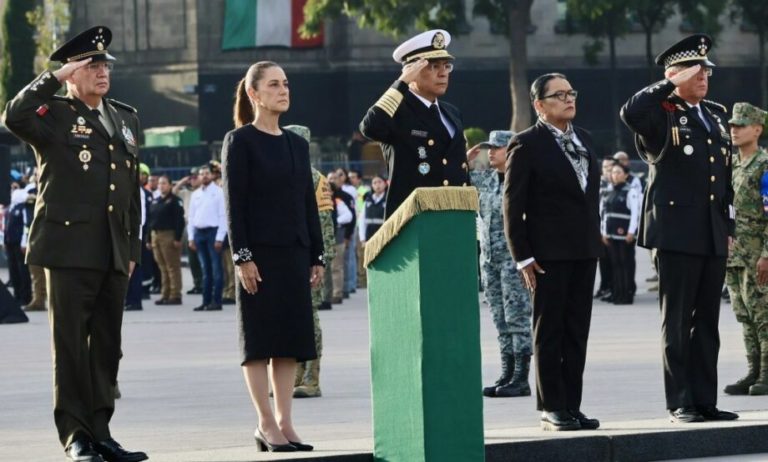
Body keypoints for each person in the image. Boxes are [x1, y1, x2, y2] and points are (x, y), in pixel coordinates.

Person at [2, 26, 147, 462]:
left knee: (107, 346)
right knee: (69, 346)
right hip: (68, 248)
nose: (102, 72)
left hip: (113, 249)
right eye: (91, 65)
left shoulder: (125, 117)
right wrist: (54, 77)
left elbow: (130, 191)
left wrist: (133, 249)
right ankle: (76, 435)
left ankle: (101, 431)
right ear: (72, 72)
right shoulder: (53, 114)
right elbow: (13, 116)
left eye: (105, 66)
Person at [620, 34, 738, 423]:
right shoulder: (661, 113)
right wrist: (668, 85)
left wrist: (729, 227)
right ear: (675, 75)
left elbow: (725, 177)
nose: (703, 76)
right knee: (677, 321)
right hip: (675, 232)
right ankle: (681, 401)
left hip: (712, 230)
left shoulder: (716, 115)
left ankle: (705, 399)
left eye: (706, 70)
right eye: (694, 71)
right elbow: (630, 113)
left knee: (707, 322)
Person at [222, 61, 324, 452]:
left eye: (286, 84)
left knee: (289, 340)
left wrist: (316, 254)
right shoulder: (240, 141)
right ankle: (265, 424)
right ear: (254, 94)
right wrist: (242, 257)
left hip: (294, 253)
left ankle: (285, 421)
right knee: (260, 340)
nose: (283, 91)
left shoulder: (296, 143)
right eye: (274, 85)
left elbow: (307, 203)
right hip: (259, 256)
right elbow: (235, 205)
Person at [503, 73, 602, 431]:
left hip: (584, 250)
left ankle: (572, 405)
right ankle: (551, 406)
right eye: (559, 95)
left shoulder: (585, 139)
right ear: (539, 105)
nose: (568, 99)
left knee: (576, 331)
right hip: (547, 255)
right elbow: (512, 205)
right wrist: (523, 256)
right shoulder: (527, 143)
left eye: (571, 92)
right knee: (549, 331)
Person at [360, 29, 468, 217]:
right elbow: (370, 127)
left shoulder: (451, 112)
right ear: (412, 72)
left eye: (446, 66)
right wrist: (401, 82)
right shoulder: (397, 110)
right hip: (414, 218)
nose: (443, 73)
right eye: (433, 66)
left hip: (453, 216)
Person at [467, 130, 533, 398]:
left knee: (517, 318)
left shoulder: (525, 180)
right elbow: (455, 182)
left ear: (512, 150)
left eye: (497, 147)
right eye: (489, 148)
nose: (491, 152)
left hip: (514, 262)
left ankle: (521, 378)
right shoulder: (486, 179)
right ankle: (507, 373)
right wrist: (464, 161)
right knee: (500, 319)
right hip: (490, 261)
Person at [284, 124, 336, 398]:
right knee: (290, 319)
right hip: (288, 257)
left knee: (309, 320)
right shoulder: (284, 175)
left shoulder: (316, 179)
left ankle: (311, 378)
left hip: (309, 260)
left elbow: (325, 224)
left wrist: (321, 260)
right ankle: (293, 376)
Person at [723, 102, 768, 396]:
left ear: (757, 129)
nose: (734, 130)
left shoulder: (764, 165)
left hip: (758, 254)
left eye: (740, 125)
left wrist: (766, 254)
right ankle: (753, 370)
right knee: (744, 314)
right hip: (736, 253)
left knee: (763, 314)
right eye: (732, 125)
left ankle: (766, 373)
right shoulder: (733, 165)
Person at [188, 165, 227, 311]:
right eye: (201, 174)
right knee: (205, 270)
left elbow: (223, 216)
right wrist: (191, 237)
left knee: (216, 269)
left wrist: (220, 237)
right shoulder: (196, 194)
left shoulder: (219, 192)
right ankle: (205, 301)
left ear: (211, 175)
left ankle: (216, 301)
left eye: (207, 173)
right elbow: (191, 217)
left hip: (213, 233)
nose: (204, 176)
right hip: (199, 233)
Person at [601, 164, 641, 305]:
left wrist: (631, 232)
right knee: (615, 265)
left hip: (625, 236)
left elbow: (635, 213)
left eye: (618, 172)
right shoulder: (609, 191)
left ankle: (626, 294)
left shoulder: (630, 191)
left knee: (625, 264)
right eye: (613, 172)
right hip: (611, 235)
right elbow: (604, 214)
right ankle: (617, 293)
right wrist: (604, 232)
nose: (615, 175)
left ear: (625, 175)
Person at [148, 175, 185, 305]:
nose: (161, 186)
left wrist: (177, 238)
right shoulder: (155, 200)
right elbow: (150, 221)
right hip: (156, 235)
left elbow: (180, 221)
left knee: (172, 267)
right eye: (159, 183)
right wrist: (148, 239)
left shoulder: (175, 201)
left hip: (169, 235)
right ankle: (165, 294)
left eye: (164, 183)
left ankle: (175, 295)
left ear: (170, 185)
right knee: (162, 267)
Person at [173, 168, 203, 294]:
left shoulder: (204, 191)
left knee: (204, 257)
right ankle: (197, 283)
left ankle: (206, 284)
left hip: (201, 226)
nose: (193, 180)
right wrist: (182, 181)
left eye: (196, 177)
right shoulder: (186, 192)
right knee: (192, 258)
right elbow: (173, 192)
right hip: (188, 226)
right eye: (191, 177)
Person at [4, 186, 32, 306]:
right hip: (10, 242)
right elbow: (6, 226)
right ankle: (17, 295)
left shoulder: (23, 208)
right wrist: (5, 241)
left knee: (22, 271)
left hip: (19, 243)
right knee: (13, 270)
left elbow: (26, 226)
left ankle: (25, 296)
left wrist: (24, 242)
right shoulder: (10, 208)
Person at [595, 157, 616, 300]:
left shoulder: (617, 185)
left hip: (613, 230)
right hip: (598, 228)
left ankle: (613, 288)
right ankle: (604, 286)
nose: (608, 170)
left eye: (610, 167)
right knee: (602, 261)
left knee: (614, 261)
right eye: (605, 167)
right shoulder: (597, 183)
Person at [359, 175, 387, 245]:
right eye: (374, 183)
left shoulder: (388, 199)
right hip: (369, 236)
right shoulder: (368, 200)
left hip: (384, 235)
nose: (377, 185)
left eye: (379, 182)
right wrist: (362, 238)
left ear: (385, 184)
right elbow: (362, 220)